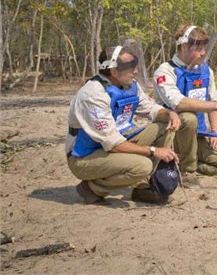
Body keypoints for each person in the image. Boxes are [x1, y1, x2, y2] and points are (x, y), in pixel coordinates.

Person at [66, 45, 189, 205]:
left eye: (135, 65)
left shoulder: (130, 85)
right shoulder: (93, 95)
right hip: (84, 156)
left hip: (115, 143)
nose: (135, 71)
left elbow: (150, 108)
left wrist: (170, 114)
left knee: (163, 126)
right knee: (142, 166)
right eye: (130, 67)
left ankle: (143, 188)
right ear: (114, 72)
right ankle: (92, 188)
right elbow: (113, 144)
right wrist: (153, 151)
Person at [153, 25, 217, 178]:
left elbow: (212, 99)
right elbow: (178, 103)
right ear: (185, 46)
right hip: (172, 135)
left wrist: (214, 132)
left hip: (198, 134)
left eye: (204, 47)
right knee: (188, 117)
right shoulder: (165, 71)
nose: (203, 53)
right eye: (198, 48)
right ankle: (188, 171)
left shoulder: (206, 71)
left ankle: (188, 162)